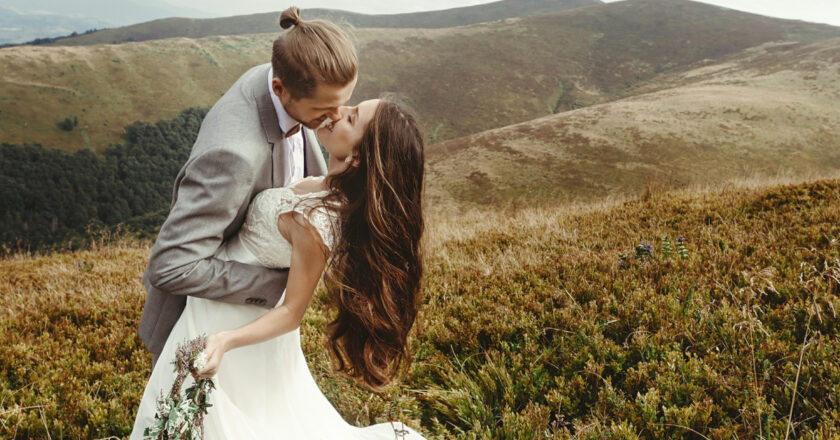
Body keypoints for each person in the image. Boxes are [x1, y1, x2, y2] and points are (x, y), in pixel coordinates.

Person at [130, 97, 426, 438]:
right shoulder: (319, 188)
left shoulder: (317, 219)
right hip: (221, 303)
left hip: (234, 323)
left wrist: (225, 341)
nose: (339, 111)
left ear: (357, 156)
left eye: (352, 118)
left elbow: (292, 312)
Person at [138, 7, 356, 368]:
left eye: (342, 104)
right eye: (323, 110)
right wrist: (280, 288)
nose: (335, 119)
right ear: (279, 89)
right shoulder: (234, 155)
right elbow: (170, 265)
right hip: (204, 320)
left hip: (256, 327)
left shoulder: (289, 76)